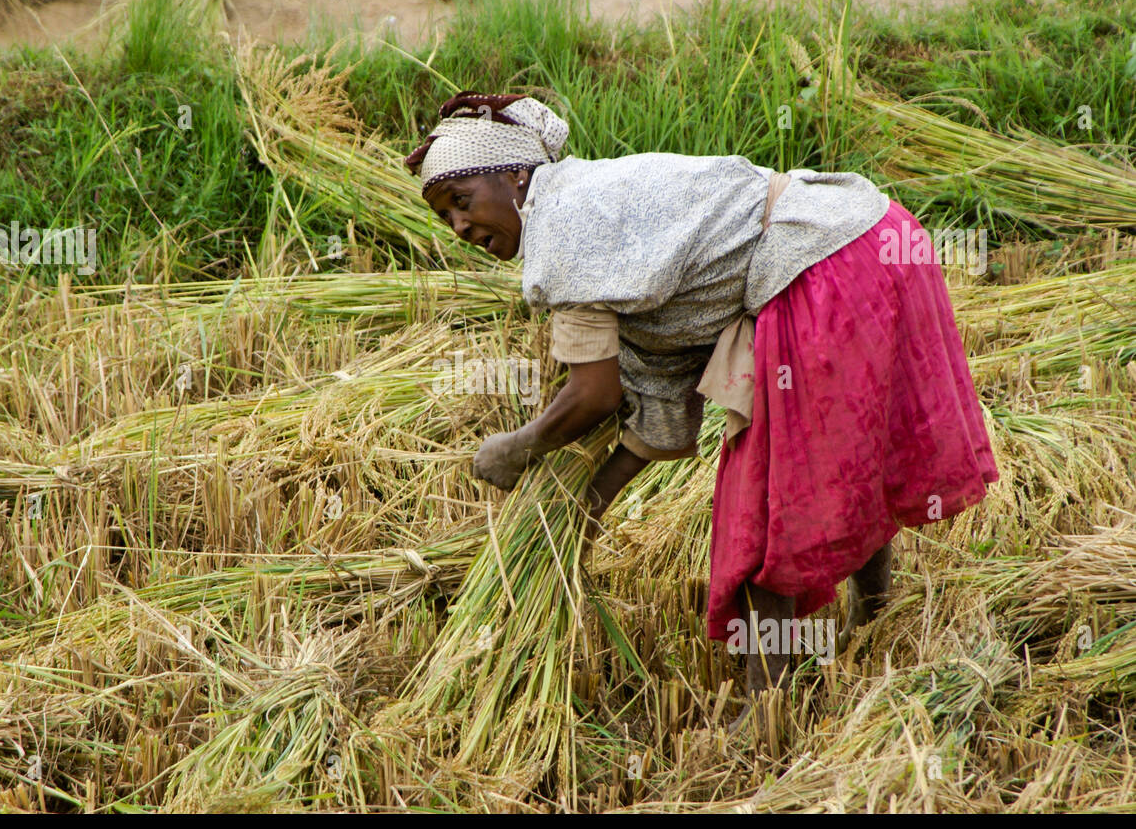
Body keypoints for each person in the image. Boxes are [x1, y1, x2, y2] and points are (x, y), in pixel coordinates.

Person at [403, 90, 999, 727]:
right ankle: (871, 618)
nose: (461, 228)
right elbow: (654, 405)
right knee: (853, 453)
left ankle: (765, 708)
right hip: (872, 235)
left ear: (514, 174)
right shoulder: (593, 213)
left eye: (462, 202)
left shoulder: (561, 232)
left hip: (823, 262)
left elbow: (592, 396)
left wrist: (518, 446)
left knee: (771, 498)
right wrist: (584, 506)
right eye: (446, 219)